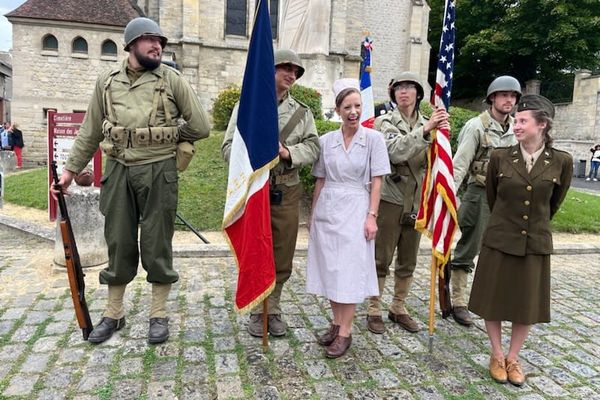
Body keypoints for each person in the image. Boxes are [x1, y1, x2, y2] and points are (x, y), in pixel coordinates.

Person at [50, 17, 210, 344]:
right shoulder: (106, 81)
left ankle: (158, 314)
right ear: (131, 44)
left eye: (160, 42)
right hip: (119, 169)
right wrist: (68, 172)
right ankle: (114, 313)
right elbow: (91, 130)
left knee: (157, 241)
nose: (158, 46)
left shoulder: (173, 79)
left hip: (159, 170)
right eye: (150, 40)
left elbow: (201, 126)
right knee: (119, 240)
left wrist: (166, 137)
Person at [468, 94, 572, 386]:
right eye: (515, 120)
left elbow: (553, 204)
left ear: (542, 125)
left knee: (525, 304)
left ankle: (513, 357)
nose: (516, 125)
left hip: (534, 243)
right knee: (493, 300)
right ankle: (497, 354)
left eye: (523, 121)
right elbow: (492, 196)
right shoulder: (501, 157)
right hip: (500, 239)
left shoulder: (561, 161)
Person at [221, 49, 319, 337]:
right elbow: (228, 148)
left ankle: (273, 309)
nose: (291, 75)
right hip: (254, 191)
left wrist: (287, 152)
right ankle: (256, 310)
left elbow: (314, 147)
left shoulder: (303, 112)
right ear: (271, 70)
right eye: (285, 68)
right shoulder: (247, 106)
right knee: (255, 249)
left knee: (283, 254)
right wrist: (253, 155)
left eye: (295, 71)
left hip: (286, 190)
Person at [306, 78, 390, 358]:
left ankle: (346, 332)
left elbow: (377, 181)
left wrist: (372, 216)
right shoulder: (326, 140)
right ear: (338, 109)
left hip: (356, 206)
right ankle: (335, 321)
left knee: (349, 270)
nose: (353, 112)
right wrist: (313, 214)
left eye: (357, 106)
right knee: (330, 268)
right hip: (328, 207)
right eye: (347, 107)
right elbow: (319, 179)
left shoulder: (373, 140)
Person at [366, 72, 449, 334]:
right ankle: (374, 307)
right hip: (391, 197)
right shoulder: (384, 122)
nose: (404, 92)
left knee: (408, 260)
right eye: (399, 88)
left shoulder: (431, 122)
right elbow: (394, 150)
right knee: (381, 257)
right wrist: (426, 130)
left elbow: (438, 161)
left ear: (418, 93)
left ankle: (398, 307)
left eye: (409, 88)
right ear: (393, 94)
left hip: (418, 201)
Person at [449, 75, 521, 326]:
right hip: (478, 194)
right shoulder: (476, 126)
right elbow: (460, 164)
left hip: (505, 198)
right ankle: (458, 300)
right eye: (503, 95)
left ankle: (490, 298)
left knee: (499, 249)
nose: (508, 100)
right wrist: (448, 197)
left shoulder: (516, 129)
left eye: (512, 96)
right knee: (470, 246)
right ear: (492, 98)